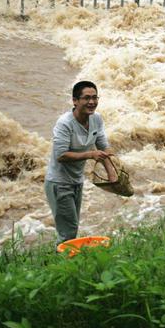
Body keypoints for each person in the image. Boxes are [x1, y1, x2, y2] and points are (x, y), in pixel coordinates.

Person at [44, 81, 117, 245]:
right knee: (68, 232)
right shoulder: (65, 123)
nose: (92, 102)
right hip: (59, 182)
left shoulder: (96, 119)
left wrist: (112, 174)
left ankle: (66, 262)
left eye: (94, 97)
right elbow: (61, 155)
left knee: (71, 227)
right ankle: (62, 264)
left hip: (77, 181)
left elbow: (103, 147)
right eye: (86, 98)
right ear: (75, 101)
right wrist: (90, 154)